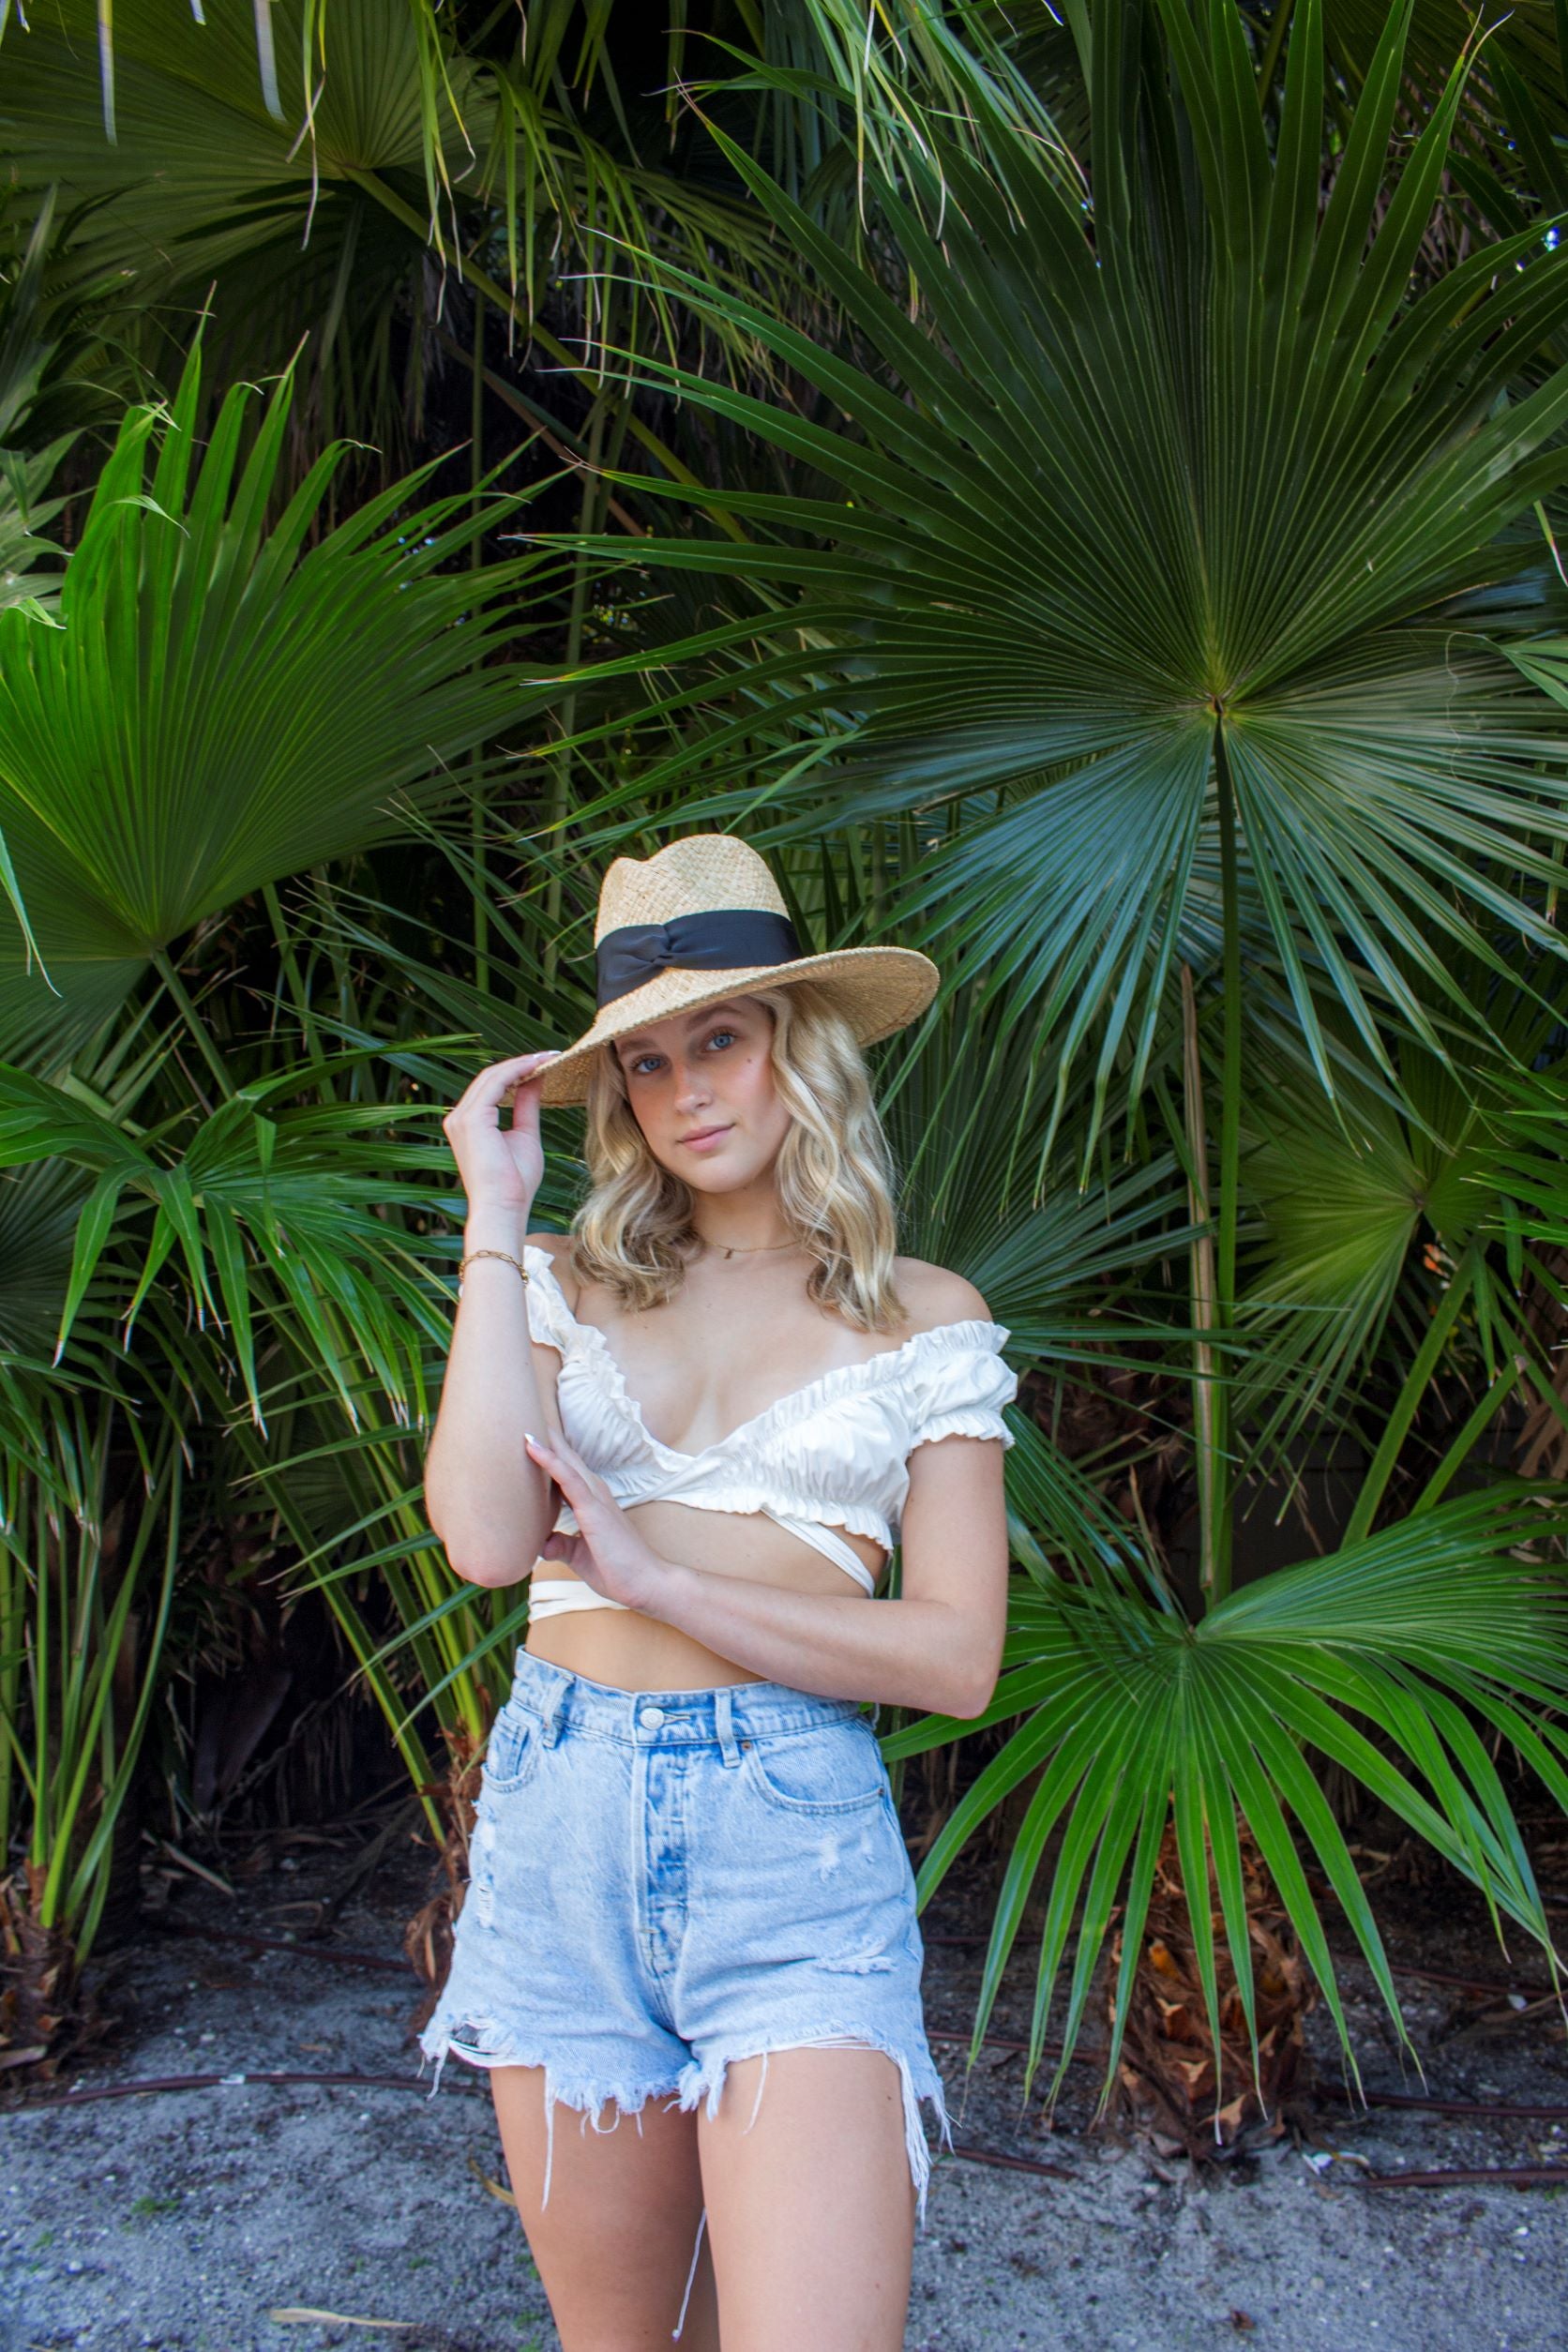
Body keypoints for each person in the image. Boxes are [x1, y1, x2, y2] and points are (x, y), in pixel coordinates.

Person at [416, 834, 1018, 2352]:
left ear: (794, 1049)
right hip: (558, 1832)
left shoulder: (924, 1319)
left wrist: (651, 1573)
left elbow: (955, 1661)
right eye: (647, 1061)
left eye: (723, 1040)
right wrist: (496, 1216)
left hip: (790, 1853)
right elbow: (489, 1540)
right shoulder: (560, 1282)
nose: (685, 1090)